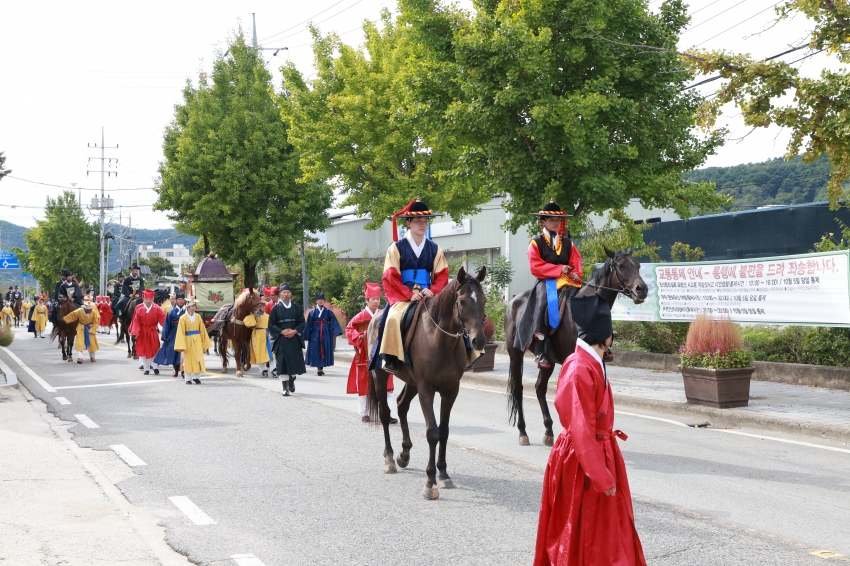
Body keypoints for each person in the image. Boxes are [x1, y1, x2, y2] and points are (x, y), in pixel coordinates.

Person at [533, 294, 645, 566]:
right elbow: (580, 427)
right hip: (581, 460)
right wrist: (600, 474)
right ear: (606, 338)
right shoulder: (579, 368)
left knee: (607, 530)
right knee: (581, 531)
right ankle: (542, 346)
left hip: (598, 452)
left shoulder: (590, 362)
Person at [374, 198, 449, 374]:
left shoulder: (435, 248)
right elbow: (390, 276)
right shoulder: (396, 248)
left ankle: (465, 351)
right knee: (392, 318)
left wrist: (433, 290)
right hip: (403, 294)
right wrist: (408, 294)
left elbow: (442, 275)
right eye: (418, 221)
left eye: (425, 221)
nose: (423, 225)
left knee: (452, 314)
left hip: (428, 292)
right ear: (408, 222)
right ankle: (390, 358)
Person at [517, 199, 583, 369]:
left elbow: (576, 262)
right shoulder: (535, 242)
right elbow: (535, 266)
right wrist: (560, 269)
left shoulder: (568, 243)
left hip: (567, 281)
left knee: (585, 299)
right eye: (552, 220)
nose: (556, 223)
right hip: (546, 281)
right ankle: (540, 350)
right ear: (543, 221)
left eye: (558, 220)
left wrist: (576, 273)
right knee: (543, 304)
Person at [346, 282, 396, 423]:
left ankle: (387, 413)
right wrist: (359, 336)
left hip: (382, 355)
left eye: (378, 299)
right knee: (364, 384)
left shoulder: (384, 315)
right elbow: (349, 330)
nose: (375, 301)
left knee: (387, 385)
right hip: (364, 357)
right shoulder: (359, 316)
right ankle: (365, 412)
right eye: (372, 298)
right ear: (367, 300)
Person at [268, 283, 306, 396]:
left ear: (291, 295)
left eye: (288, 292)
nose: (286, 294)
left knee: (294, 362)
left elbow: (302, 322)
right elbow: (271, 324)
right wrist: (282, 331)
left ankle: (291, 380)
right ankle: (285, 388)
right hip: (281, 338)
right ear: (280, 294)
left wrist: (294, 331)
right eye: (284, 292)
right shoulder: (275, 308)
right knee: (282, 362)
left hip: (294, 338)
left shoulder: (296, 307)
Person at [173, 296, 212, 385]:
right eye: (192, 306)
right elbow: (180, 332)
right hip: (187, 339)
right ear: (188, 307)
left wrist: (204, 342)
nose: (194, 307)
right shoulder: (183, 318)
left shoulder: (198, 316)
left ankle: (197, 377)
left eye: (194, 306)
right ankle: (188, 378)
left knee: (197, 358)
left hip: (197, 339)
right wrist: (181, 344)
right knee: (187, 359)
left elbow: (202, 330)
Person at [304, 291, 343, 376]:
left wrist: (336, 331)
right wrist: (307, 334)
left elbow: (333, 321)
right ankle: (319, 368)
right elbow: (309, 324)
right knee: (316, 349)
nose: (321, 301)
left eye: (322, 300)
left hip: (325, 333)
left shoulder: (329, 312)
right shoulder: (312, 312)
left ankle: (321, 368)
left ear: (324, 301)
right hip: (315, 333)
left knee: (324, 349)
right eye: (319, 300)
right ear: (316, 301)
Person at [128, 289, 165, 375]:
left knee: (155, 348)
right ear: (143, 299)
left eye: (150, 299)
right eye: (146, 299)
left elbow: (163, 319)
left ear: (153, 299)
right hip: (142, 332)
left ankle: (155, 366)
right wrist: (135, 332)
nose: (148, 301)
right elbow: (135, 320)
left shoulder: (157, 308)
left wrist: (167, 328)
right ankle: (146, 368)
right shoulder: (139, 308)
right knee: (143, 349)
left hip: (152, 331)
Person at [154, 290, 186, 378]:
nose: (180, 301)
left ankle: (183, 371)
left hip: (184, 334)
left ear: (184, 301)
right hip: (174, 333)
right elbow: (167, 324)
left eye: (182, 299)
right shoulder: (171, 312)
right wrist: (165, 335)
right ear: (176, 300)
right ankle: (176, 370)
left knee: (184, 353)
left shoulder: (187, 311)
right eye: (178, 299)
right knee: (174, 352)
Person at [63, 295, 100, 364]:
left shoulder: (94, 311)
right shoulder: (80, 311)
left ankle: (92, 356)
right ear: (86, 308)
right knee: (80, 342)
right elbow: (72, 315)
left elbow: (96, 322)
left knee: (92, 342)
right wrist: (65, 319)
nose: (90, 311)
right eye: (89, 310)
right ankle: (79, 357)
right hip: (81, 327)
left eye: (91, 309)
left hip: (90, 327)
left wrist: (92, 329)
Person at [245, 298, 273, 377]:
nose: (261, 307)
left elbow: (271, 326)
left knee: (270, 352)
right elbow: (249, 323)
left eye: (263, 306)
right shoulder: (252, 316)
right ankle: (263, 370)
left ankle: (273, 368)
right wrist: (253, 316)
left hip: (266, 335)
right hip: (256, 335)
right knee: (259, 352)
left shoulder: (267, 316)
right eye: (259, 306)